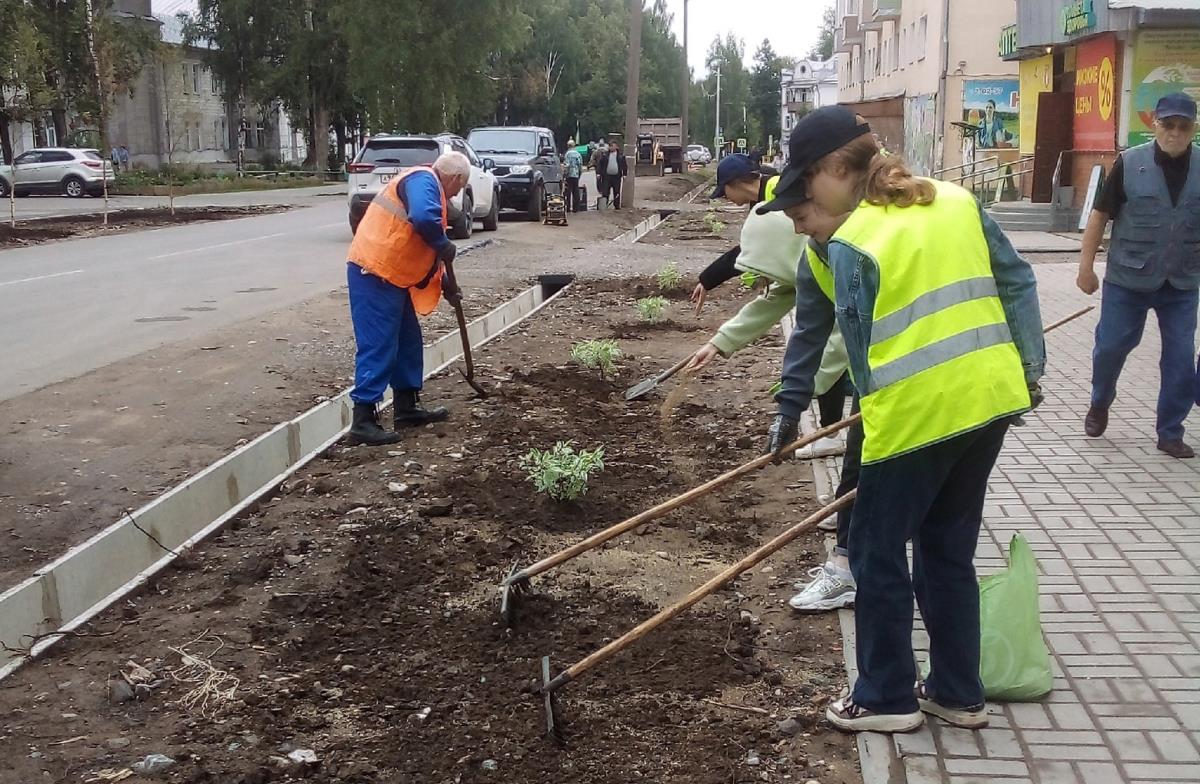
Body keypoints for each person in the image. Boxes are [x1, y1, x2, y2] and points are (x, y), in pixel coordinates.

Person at [759, 106, 1044, 733]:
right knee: (946, 550)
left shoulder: (854, 243)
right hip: (988, 402)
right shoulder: (953, 199)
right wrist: (1030, 367)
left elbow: (864, 367)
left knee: (874, 551)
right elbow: (1016, 279)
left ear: (837, 169)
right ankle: (957, 693)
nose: (802, 218)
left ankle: (885, 697)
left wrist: (868, 431)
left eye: (803, 197)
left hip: (915, 415)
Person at [1077, 92, 1199, 459]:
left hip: (1181, 281)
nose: (1175, 132)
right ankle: (1100, 401)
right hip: (1128, 279)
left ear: (1193, 128)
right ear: (1154, 125)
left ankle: (1170, 431)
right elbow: (1099, 215)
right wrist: (1086, 267)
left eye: (1183, 125)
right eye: (1168, 124)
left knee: (1180, 357)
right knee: (1112, 346)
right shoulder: (1130, 163)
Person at [344, 151, 471, 446]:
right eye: (460, 186)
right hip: (373, 272)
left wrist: (447, 284)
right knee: (379, 344)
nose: (456, 194)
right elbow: (423, 220)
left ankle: (406, 406)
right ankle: (363, 419)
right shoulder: (423, 180)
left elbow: (421, 249)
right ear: (454, 178)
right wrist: (443, 244)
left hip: (392, 276)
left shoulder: (426, 185)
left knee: (408, 341)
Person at [599, 143, 627, 209]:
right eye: (610, 146)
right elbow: (600, 164)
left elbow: (624, 166)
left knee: (616, 191)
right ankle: (604, 205)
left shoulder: (621, 156)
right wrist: (599, 173)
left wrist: (624, 174)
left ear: (616, 147)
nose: (610, 147)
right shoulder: (605, 155)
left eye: (612, 146)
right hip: (607, 176)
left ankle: (616, 205)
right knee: (605, 191)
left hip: (616, 177)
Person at [563, 138, 583, 213]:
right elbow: (580, 165)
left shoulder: (567, 154)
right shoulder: (578, 154)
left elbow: (566, 165)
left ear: (568, 146)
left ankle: (568, 208)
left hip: (569, 175)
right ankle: (576, 208)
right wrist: (579, 173)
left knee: (568, 191)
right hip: (576, 174)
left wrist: (565, 174)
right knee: (576, 191)